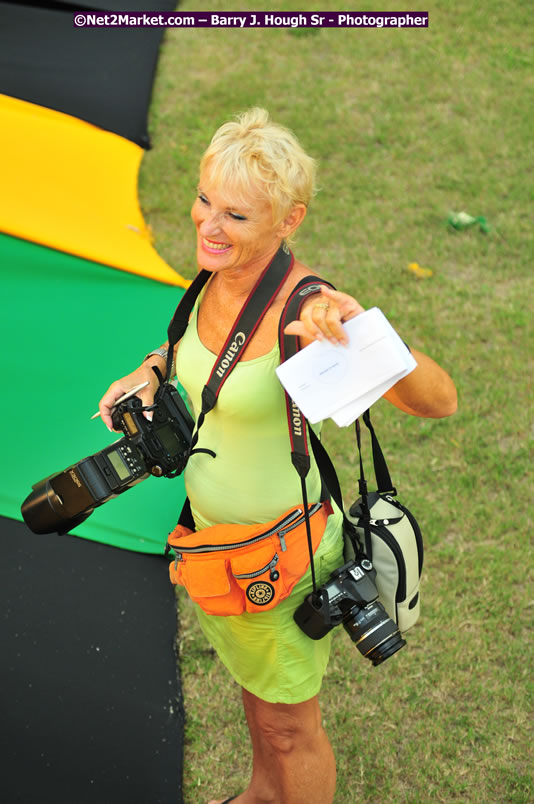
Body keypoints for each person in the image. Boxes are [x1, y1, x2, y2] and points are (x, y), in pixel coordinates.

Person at [98, 108, 457, 804]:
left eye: (235, 214)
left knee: (291, 728)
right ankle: (264, 797)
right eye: (205, 199)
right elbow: (192, 356)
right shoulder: (216, 276)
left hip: (278, 561)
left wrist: (361, 331)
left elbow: (438, 401)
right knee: (259, 704)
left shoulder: (306, 312)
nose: (207, 224)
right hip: (218, 549)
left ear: (287, 221)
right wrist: (150, 372)